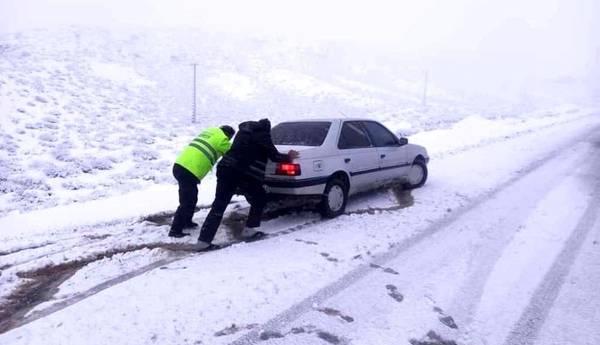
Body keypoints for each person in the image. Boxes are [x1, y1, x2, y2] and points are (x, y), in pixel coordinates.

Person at [196, 118, 299, 250]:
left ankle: (203, 241)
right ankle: (249, 230)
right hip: (242, 173)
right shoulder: (263, 134)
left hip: (225, 168)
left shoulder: (243, 132)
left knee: (219, 205)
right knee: (260, 198)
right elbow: (274, 156)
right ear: (267, 129)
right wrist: (289, 156)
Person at [169, 125, 236, 238]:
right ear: (228, 135)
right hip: (189, 170)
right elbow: (234, 151)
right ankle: (175, 230)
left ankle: (186, 221)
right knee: (187, 201)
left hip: (179, 166)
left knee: (191, 197)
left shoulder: (210, 131)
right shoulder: (222, 139)